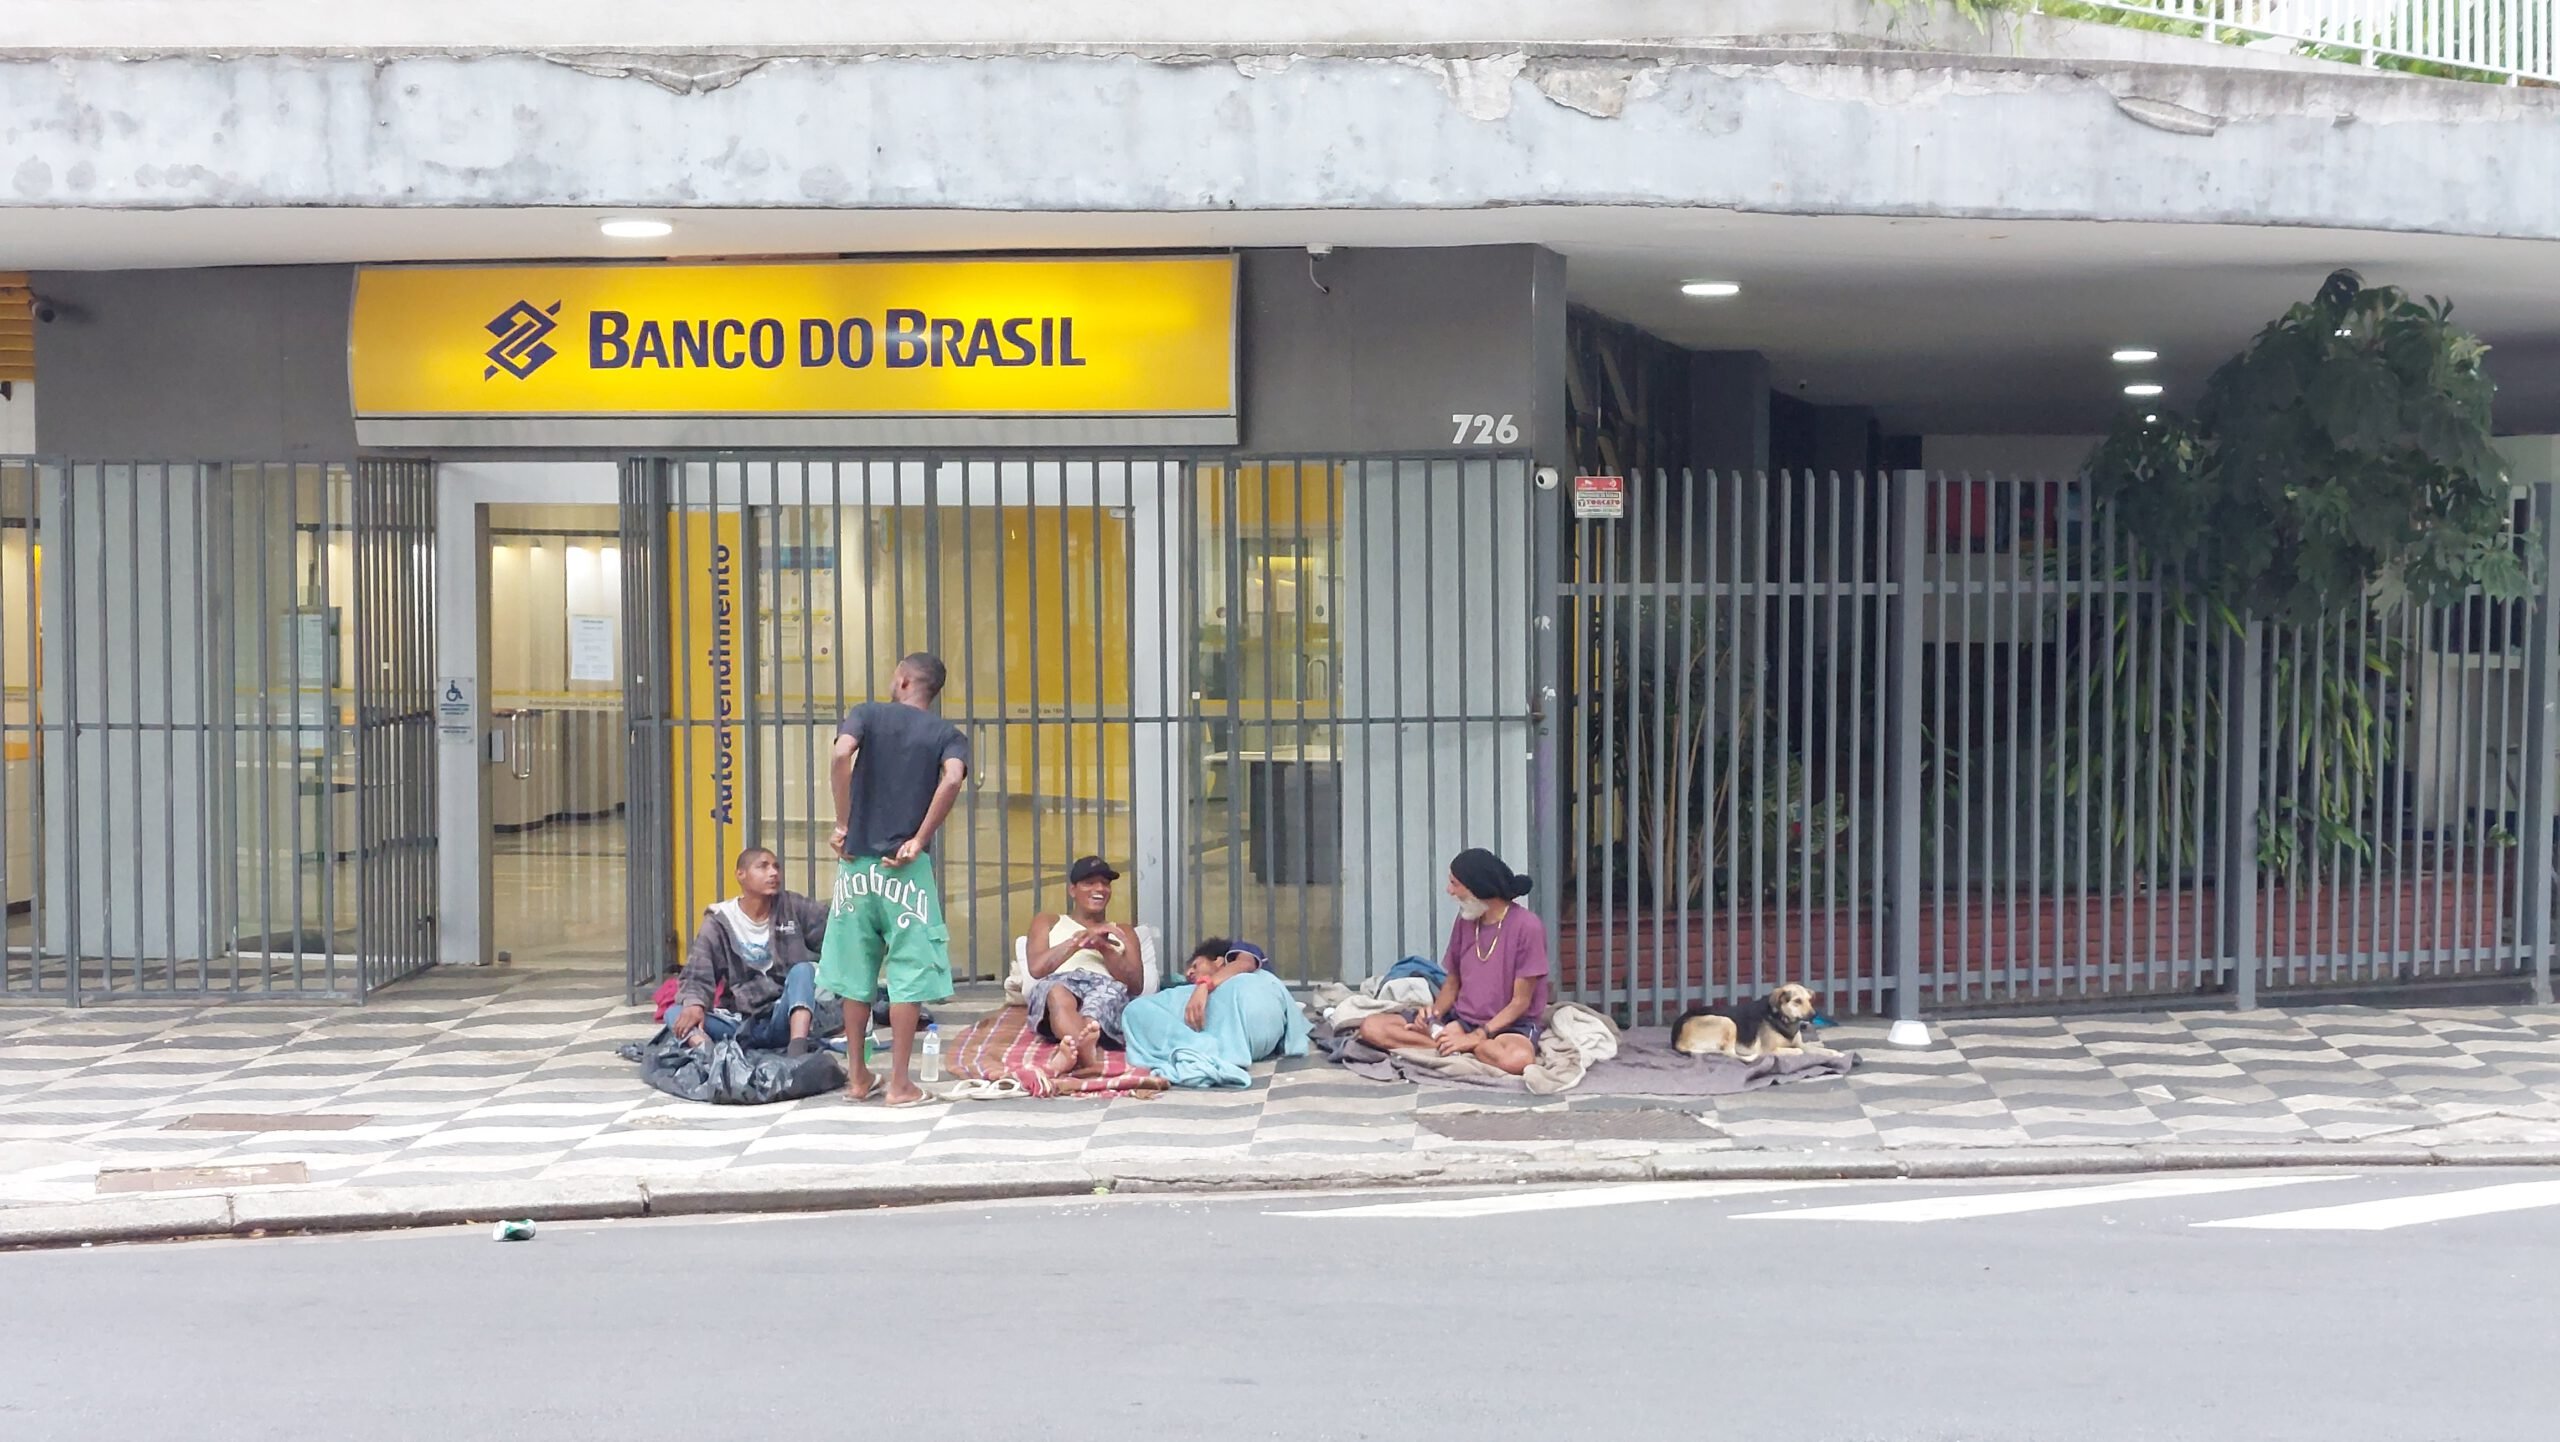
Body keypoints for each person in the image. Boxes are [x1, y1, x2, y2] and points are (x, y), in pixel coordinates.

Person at [818, 652, 969, 1106]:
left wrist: (843, 822)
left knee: (853, 970)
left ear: (902, 680)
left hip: (856, 865)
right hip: (905, 870)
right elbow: (954, 777)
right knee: (907, 971)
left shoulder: (867, 713)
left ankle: (859, 1078)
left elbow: (842, 752)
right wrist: (920, 838)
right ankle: (901, 1084)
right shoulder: (947, 734)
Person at [1356, 848, 1551, 1076]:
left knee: (1518, 1060)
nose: (1450, 891)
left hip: (1509, 1026)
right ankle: (1453, 1045)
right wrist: (1434, 1014)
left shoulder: (1527, 926)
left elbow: (1520, 1003)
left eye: (1455, 884)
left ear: (1478, 887)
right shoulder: (1466, 920)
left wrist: (1476, 1036)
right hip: (1462, 1019)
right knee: (1372, 1027)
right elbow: (1452, 981)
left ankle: (1464, 1046)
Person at [665, 847, 841, 1055]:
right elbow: (698, 972)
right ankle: (707, 1053)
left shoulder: (792, 906)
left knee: (803, 970)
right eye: (763, 867)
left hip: (783, 1016)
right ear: (741, 875)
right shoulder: (720, 920)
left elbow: (834, 937)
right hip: (741, 1023)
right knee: (674, 1013)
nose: (773, 873)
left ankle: (798, 1048)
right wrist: (694, 1004)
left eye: (776, 867)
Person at [1024, 856, 1146, 1079]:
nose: (1099, 888)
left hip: (1104, 984)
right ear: (1073, 890)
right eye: (1089, 882)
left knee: (1101, 1003)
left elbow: (1136, 985)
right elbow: (1037, 968)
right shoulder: (1048, 920)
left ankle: (1079, 1050)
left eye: (1105, 883)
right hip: (1060, 980)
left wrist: (1103, 946)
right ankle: (1086, 1053)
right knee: (1056, 993)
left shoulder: (1123, 931)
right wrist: (1079, 941)